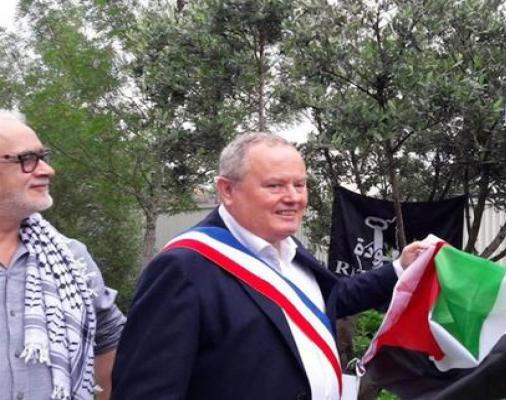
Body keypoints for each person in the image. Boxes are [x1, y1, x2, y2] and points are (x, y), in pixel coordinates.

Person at [111, 132, 424, 400]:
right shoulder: (183, 268)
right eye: (275, 186)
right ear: (227, 190)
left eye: (300, 185)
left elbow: (330, 300)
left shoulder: (289, 249)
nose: (293, 198)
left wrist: (399, 268)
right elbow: (146, 391)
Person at [0, 110, 126, 400]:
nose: (47, 170)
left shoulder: (71, 259)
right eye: (26, 160)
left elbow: (110, 339)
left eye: (43, 157)